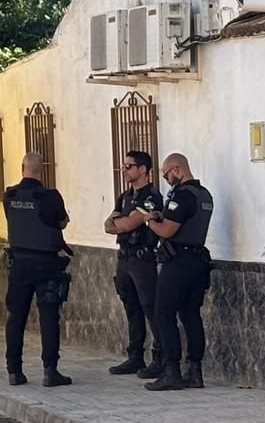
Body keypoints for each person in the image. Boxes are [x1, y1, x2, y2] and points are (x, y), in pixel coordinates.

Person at [143, 153, 214, 391]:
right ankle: (195, 371)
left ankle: (171, 369)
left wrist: (150, 221)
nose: (166, 178)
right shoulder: (204, 195)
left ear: (177, 169)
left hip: (179, 262)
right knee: (191, 315)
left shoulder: (182, 195)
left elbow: (167, 230)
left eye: (166, 174)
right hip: (198, 261)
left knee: (163, 313)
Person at [3, 152, 72, 387]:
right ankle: (50, 371)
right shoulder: (50, 197)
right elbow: (62, 222)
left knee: (15, 318)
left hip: (19, 264)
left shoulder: (10, 195)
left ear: (22, 168)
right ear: (41, 170)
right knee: (49, 317)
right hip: (46, 263)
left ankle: (14, 371)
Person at [102, 150, 164, 379]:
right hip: (124, 257)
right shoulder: (125, 196)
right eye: (123, 166)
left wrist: (119, 222)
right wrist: (119, 223)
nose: (124, 170)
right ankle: (135, 356)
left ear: (142, 170)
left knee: (150, 307)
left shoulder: (151, 197)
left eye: (129, 166)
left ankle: (161, 357)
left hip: (142, 258)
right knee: (131, 306)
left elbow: (127, 224)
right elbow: (108, 225)